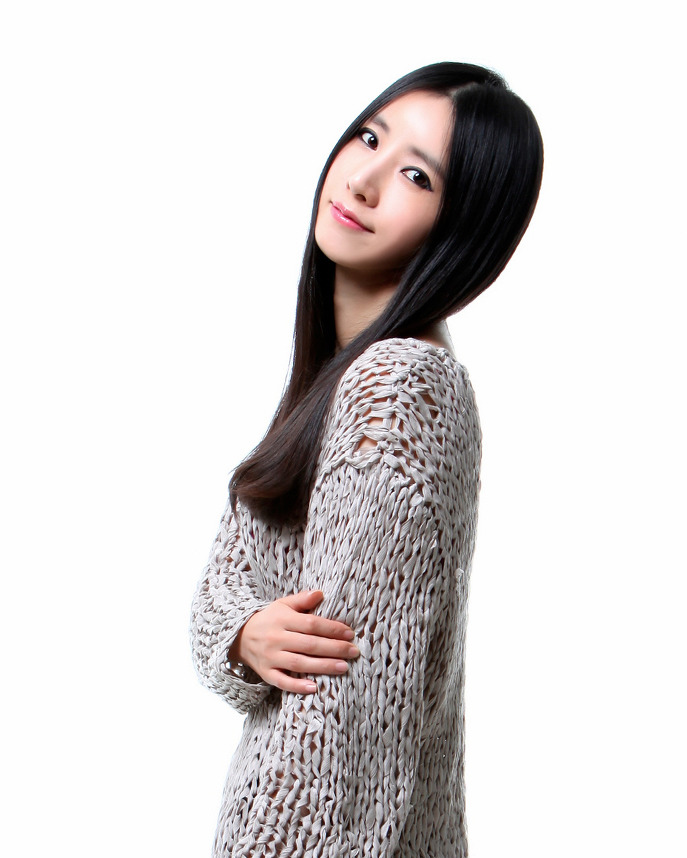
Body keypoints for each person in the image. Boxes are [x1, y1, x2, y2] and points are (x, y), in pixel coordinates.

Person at [190, 61, 543, 857]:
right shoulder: (334, 383)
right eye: (369, 138)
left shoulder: (397, 388)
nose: (364, 180)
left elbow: (340, 717)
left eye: (417, 175)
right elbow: (219, 592)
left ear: (463, 228)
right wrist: (245, 633)